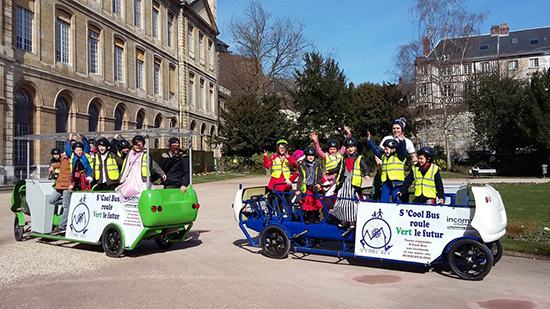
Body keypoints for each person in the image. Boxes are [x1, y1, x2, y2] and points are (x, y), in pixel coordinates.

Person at [327, 137, 370, 230]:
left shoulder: (359, 158)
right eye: (348, 147)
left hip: (353, 182)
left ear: (355, 148)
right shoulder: (344, 158)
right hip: (345, 182)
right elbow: (339, 168)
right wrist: (330, 171)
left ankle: (352, 220)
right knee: (342, 201)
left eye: (352, 147)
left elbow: (365, 167)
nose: (350, 149)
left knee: (352, 202)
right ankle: (343, 219)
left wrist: (366, 174)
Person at [311, 126, 352, 196]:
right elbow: (318, 151)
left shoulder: (340, 154)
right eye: (331, 149)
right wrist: (316, 141)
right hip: (330, 178)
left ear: (337, 149)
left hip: (339, 177)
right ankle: (333, 205)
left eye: (334, 149)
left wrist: (348, 134)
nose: (332, 151)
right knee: (331, 194)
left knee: (339, 192)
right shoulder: (326, 156)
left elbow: (345, 145)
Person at [367, 131, 407, 202]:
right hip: (386, 182)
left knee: (397, 200)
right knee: (384, 201)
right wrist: (370, 141)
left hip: (397, 183)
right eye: (385, 149)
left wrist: (402, 141)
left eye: (387, 149)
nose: (385, 151)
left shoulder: (399, 156)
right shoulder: (384, 156)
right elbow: (376, 150)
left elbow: (403, 150)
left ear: (393, 149)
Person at [291, 147, 324, 224]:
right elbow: (301, 178)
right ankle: (308, 218)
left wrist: (319, 183)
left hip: (314, 187)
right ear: (306, 156)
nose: (310, 157)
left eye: (312, 155)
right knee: (308, 204)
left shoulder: (317, 165)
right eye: (309, 155)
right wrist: (298, 189)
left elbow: (319, 176)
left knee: (316, 204)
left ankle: (316, 218)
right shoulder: (303, 165)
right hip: (307, 187)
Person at [48, 150, 72, 235]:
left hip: (67, 185)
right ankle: (69, 201)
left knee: (66, 206)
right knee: (51, 200)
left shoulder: (72, 158)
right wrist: (53, 166)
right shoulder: (64, 158)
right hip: (59, 184)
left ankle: (62, 226)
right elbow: (61, 165)